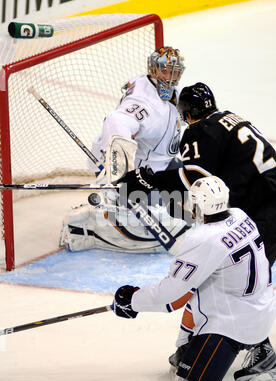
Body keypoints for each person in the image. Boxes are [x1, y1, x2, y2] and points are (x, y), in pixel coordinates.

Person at [117, 82, 276, 381]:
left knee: (246, 280)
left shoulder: (198, 131)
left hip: (268, 208)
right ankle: (194, 343)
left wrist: (147, 181)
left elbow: (197, 177)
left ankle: (261, 354)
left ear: (186, 113)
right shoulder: (230, 118)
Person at [110, 176, 276, 381]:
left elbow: (170, 295)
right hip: (262, 311)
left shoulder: (201, 240)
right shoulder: (241, 216)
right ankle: (188, 349)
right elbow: (183, 293)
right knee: (199, 290)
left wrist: (132, 300)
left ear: (198, 206)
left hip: (231, 327)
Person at [59, 46, 188, 254]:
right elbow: (116, 120)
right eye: (166, 71)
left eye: (175, 71)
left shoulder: (161, 91)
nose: (171, 77)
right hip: (138, 173)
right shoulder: (144, 102)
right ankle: (84, 227)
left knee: (188, 207)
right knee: (137, 224)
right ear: (154, 70)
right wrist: (121, 173)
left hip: (159, 165)